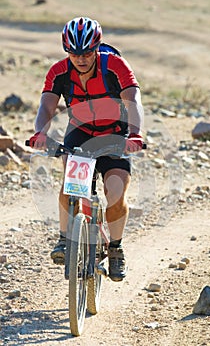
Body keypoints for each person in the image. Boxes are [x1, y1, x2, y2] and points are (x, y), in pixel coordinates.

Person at [29, 16, 144, 282]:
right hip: (80, 132)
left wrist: (135, 134)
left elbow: (132, 100)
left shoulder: (115, 66)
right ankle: (63, 238)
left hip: (116, 133)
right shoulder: (58, 71)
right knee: (71, 184)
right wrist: (40, 133)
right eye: (74, 53)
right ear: (67, 51)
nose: (81, 59)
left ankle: (115, 249)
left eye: (87, 53)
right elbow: (47, 106)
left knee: (115, 193)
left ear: (97, 48)